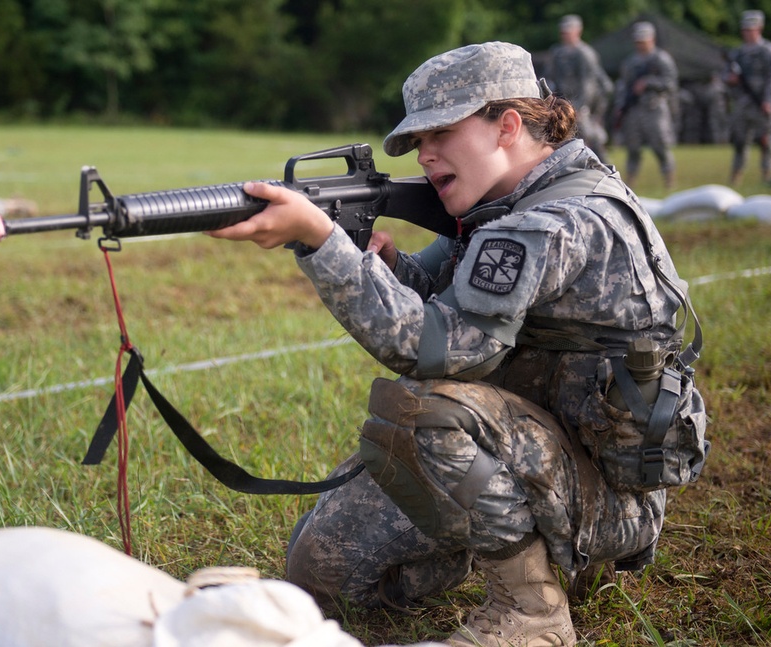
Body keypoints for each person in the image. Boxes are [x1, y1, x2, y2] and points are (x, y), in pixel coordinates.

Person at [208, 41, 708, 646]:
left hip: (607, 498)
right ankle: (486, 542)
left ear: (508, 125)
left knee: (421, 410)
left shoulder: (553, 222)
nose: (425, 155)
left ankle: (533, 613)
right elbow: (453, 307)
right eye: (418, 143)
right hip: (530, 456)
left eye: (440, 133)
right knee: (321, 566)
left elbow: (435, 348)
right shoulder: (505, 208)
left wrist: (321, 242)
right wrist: (390, 267)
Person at [613, 22, 679, 189]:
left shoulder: (661, 59)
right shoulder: (630, 62)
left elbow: (670, 83)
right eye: (638, 41)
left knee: (660, 147)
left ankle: (669, 181)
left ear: (652, 39)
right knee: (633, 148)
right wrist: (620, 106)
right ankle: (630, 183)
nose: (640, 44)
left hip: (654, 109)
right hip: (634, 110)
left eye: (643, 40)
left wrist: (649, 83)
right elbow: (624, 86)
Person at [724, 10, 771, 185]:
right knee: (739, 142)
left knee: (766, 141)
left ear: (760, 28)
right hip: (743, 104)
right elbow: (725, 75)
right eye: (745, 29)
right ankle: (736, 178)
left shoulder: (769, 51)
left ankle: (767, 177)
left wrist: (769, 99)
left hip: (762, 103)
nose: (748, 33)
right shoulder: (737, 54)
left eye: (752, 29)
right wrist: (731, 80)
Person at [544, 14, 614, 163]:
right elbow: (549, 78)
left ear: (578, 31)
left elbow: (588, 84)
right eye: (563, 31)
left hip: (583, 105)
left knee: (590, 137)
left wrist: (580, 106)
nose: (565, 34)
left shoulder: (584, 53)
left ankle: (605, 167)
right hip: (564, 103)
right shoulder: (557, 52)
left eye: (568, 30)